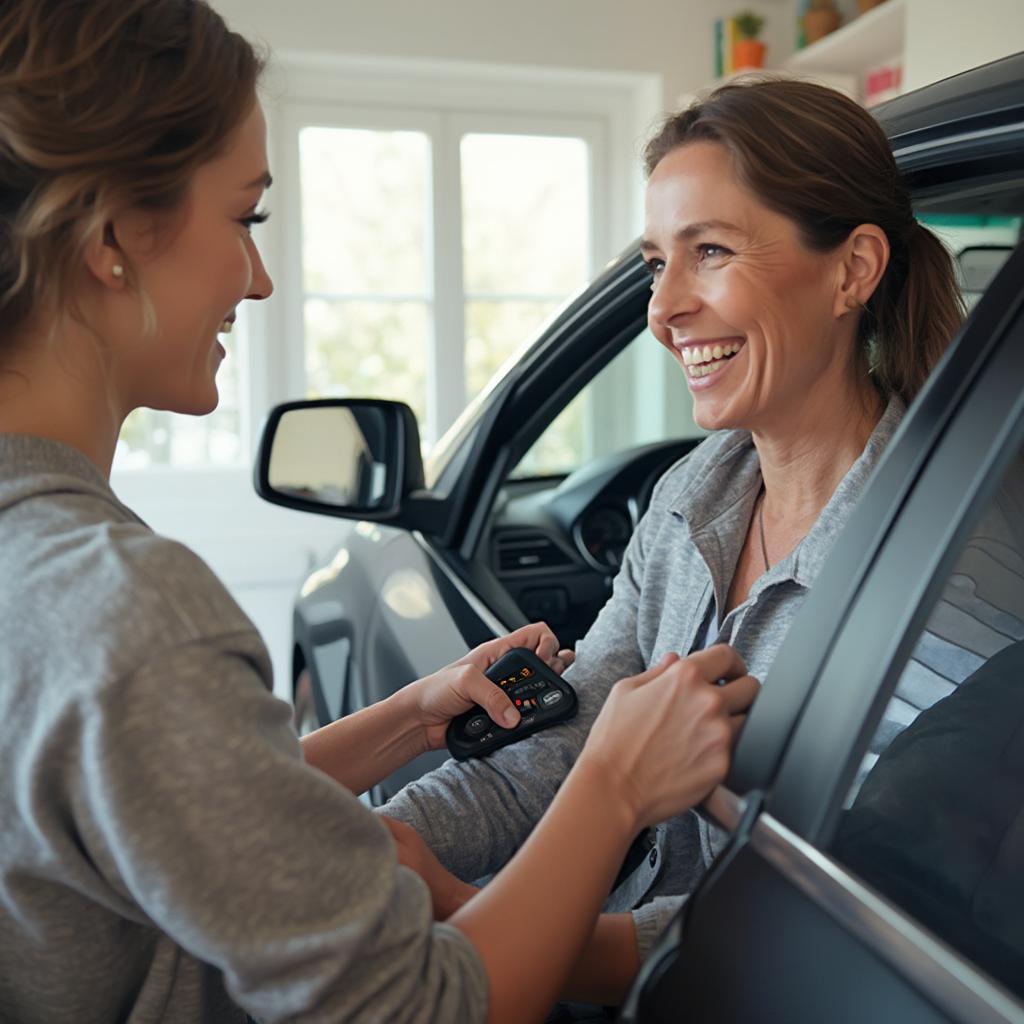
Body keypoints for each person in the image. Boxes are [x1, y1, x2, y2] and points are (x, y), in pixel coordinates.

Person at [0, 2, 760, 1022]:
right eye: (244, 219)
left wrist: (407, 717)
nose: (259, 277)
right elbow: (425, 1007)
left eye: (709, 250)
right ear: (112, 237)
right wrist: (614, 783)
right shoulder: (129, 611)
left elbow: (134, 805)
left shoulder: (61, 585)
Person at [381, 75, 968, 1007]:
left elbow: (848, 908)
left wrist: (482, 925)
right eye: (659, 261)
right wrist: (392, 843)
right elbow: (573, 739)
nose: (663, 309)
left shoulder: (944, 558)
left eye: (712, 252)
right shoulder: (696, 493)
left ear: (854, 270)